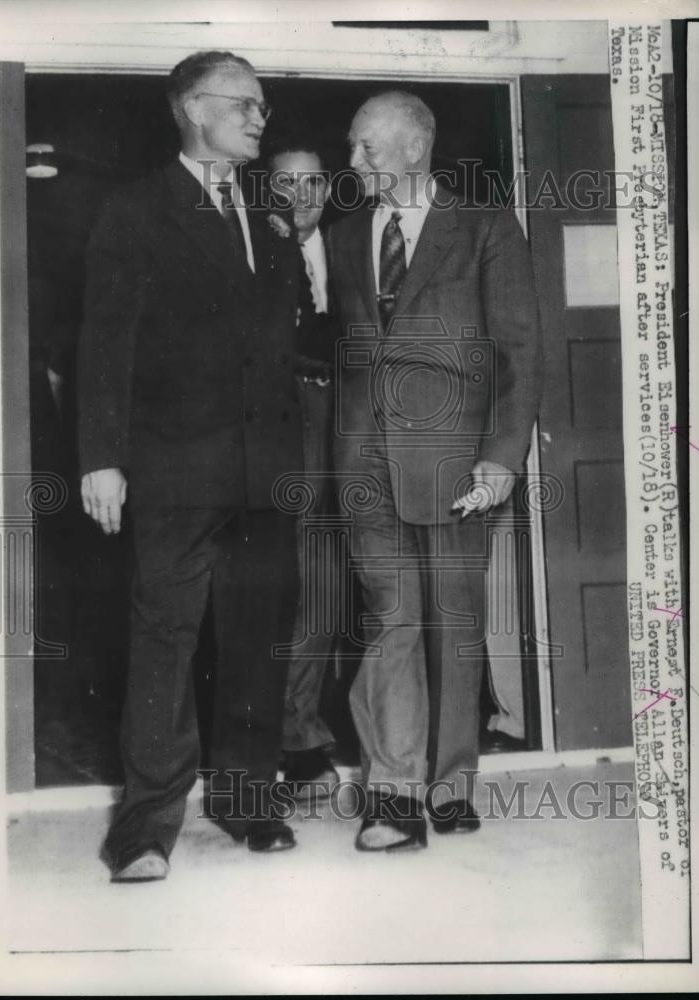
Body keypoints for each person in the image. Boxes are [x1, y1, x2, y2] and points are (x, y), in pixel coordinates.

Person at [77, 50, 307, 881]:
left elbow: (287, 347)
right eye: (244, 105)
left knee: (257, 640)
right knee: (164, 641)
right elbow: (104, 344)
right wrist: (100, 458)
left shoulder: (272, 218)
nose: (259, 119)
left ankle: (249, 802)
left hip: (264, 472)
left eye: (262, 107)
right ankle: (143, 829)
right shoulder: (134, 210)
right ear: (192, 109)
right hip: (171, 470)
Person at [330, 91, 542, 851]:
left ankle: (449, 785)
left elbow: (518, 351)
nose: (352, 163)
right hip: (363, 461)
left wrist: (500, 458)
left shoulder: (484, 227)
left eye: (366, 149)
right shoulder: (346, 233)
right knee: (388, 620)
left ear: (414, 149)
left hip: (456, 462)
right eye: (352, 149)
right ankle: (392, 794)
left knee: (451, 624)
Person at [266, 139, 340, 799]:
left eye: (313, 182)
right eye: (286, 184)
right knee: (274, 588)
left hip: (349, 431)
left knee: (324, 587)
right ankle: (282, 736)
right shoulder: (250, 251)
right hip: (275, 438)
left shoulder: (351, 250)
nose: (301, 196)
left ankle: (302, 730)